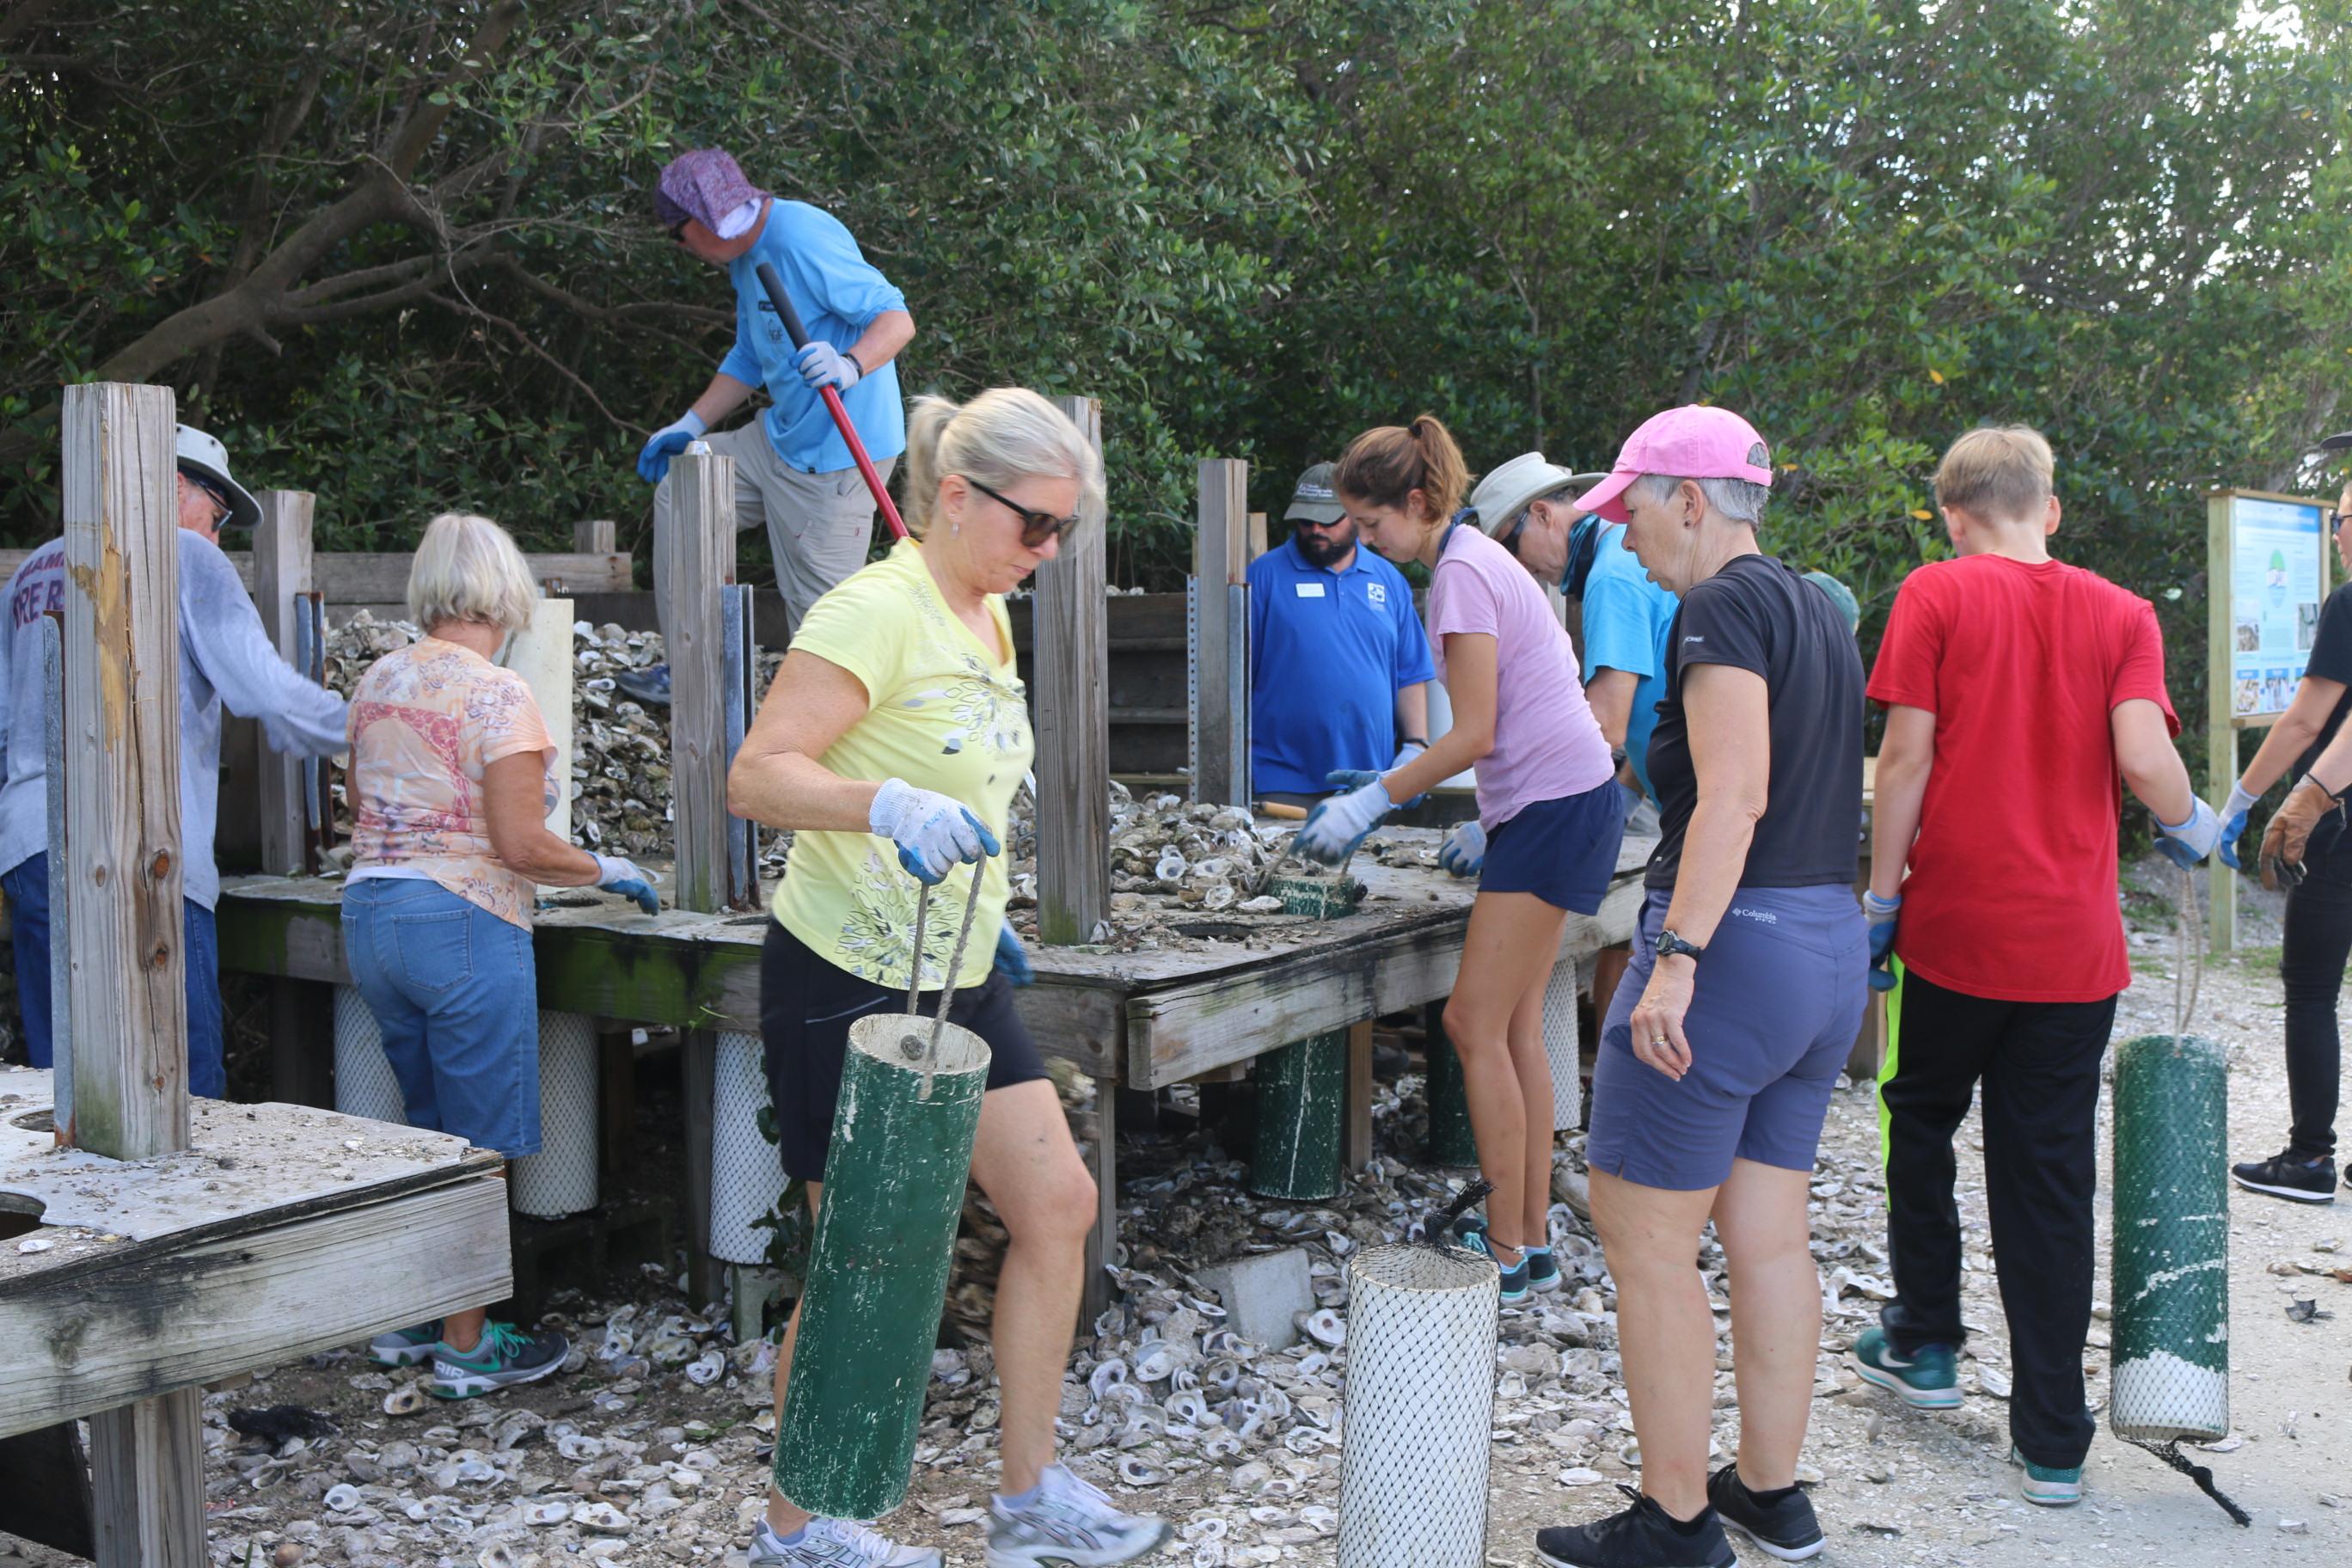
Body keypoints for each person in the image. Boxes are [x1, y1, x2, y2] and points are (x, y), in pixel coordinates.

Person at [725, 388, 1167, 1568]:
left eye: (1064, 531)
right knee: (865, 1256)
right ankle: (799, 1527)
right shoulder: (876, 609)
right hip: (844, 976)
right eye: (1036, 526)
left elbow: (961, 769)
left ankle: (1030, 1502)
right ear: (958, 498)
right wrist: (883, 805)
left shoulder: (986, 613)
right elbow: (758, 776)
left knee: (1058, 1206)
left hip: (955, 970)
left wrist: (989, 911)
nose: (1050, 551)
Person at [1855, 426, 2217, 1510]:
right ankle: (2054, 1440)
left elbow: (1906, 758)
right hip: (2073, 954)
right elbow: (2144, 757)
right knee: (2049, 1180)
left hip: (1957, 936)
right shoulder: (2125, 614)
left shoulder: (1936, 593)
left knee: (1915, 1116)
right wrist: (2194, 822)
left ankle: (1925, 1341)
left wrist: (1880, 902)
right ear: (2050, 509)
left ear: (1953, 518)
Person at [1533, 406, 1866, 1568]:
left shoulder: (1720, 605)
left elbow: (1733, 796)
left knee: (1646, 1242)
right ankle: (1770, 1494)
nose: (1620, 539)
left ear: (1690, 498)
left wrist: (1674, 960)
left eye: (1629, 509)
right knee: (1769, 1236)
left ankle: (1675, 1521)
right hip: (1827, 948)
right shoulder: (1818, 609)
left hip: (1733, 949)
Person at [1292, 415, 1626, 1307]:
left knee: (1472, 1027)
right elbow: (1493, 722)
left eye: (1372, 525)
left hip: (1555, 808)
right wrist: (1400, 777)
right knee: (1513, 1029)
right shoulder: (1478, 559)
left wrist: (1375, 799)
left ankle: (1510, 1252)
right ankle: (1531, 1240)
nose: (1368, 544)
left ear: (1415, 501)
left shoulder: (1462, 575)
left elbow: (1471, 732)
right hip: (1564, 802)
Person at [346, 513, 658, 1397]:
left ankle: (414, 1321)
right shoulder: (497, 694)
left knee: (428, 1126)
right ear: (505, 590)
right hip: (462, 920)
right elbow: (522, 846)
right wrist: (607, 865)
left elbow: (371, 805)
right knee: (480, 1139)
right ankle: (469, 1347)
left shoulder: (378, 681)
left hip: (372, 914)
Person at [0, 425, 346, 1096]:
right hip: (147, 848)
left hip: (33, 844)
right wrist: (364, 727)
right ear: (173, 487)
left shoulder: (35, 568)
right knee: (181, 1091)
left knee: (65, 1087)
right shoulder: (186, 554)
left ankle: (73, 1205)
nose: (217, 539)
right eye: (217, 518)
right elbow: (263, 686)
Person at [623, 148, 917, 706]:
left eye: (676, 235)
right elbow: (749, 356)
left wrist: (850, 364)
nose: (680, 248)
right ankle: (690, 672)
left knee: (822, 630)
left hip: (837, 457)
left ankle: (832, 763)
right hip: (780, 438)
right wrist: (690, 422)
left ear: (702, 221)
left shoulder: (801, 238)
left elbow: (896, 319)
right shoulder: (745, 254)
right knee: (684, 492)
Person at [2208, 458, 2352, 1203]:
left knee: (2310, 990)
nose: (2338, 535)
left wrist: (2239, 802)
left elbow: (2303, 719)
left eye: (2347, 520)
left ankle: (2310, 1158)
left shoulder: (2351, 602)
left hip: (2340, 825)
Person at [1453, 452, 1678, 875]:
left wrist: (1511, 818)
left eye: (1507, 546)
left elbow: (1606, 722)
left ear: (1541, 515)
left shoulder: (1611, 574)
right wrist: (1628, 793)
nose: (1516, 568)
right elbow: (1655, 702)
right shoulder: (1623, 551)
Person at [1247, 462, 1434, 807]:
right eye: (1305, 520)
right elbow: (1233, 681)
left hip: (1371, 784)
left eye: (1328, 520)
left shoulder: (1388, 579)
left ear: (1356, 516)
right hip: (1283, 784)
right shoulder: (1262, 578)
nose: (1315, 529)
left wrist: (1415, 745)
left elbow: (1410, 673)